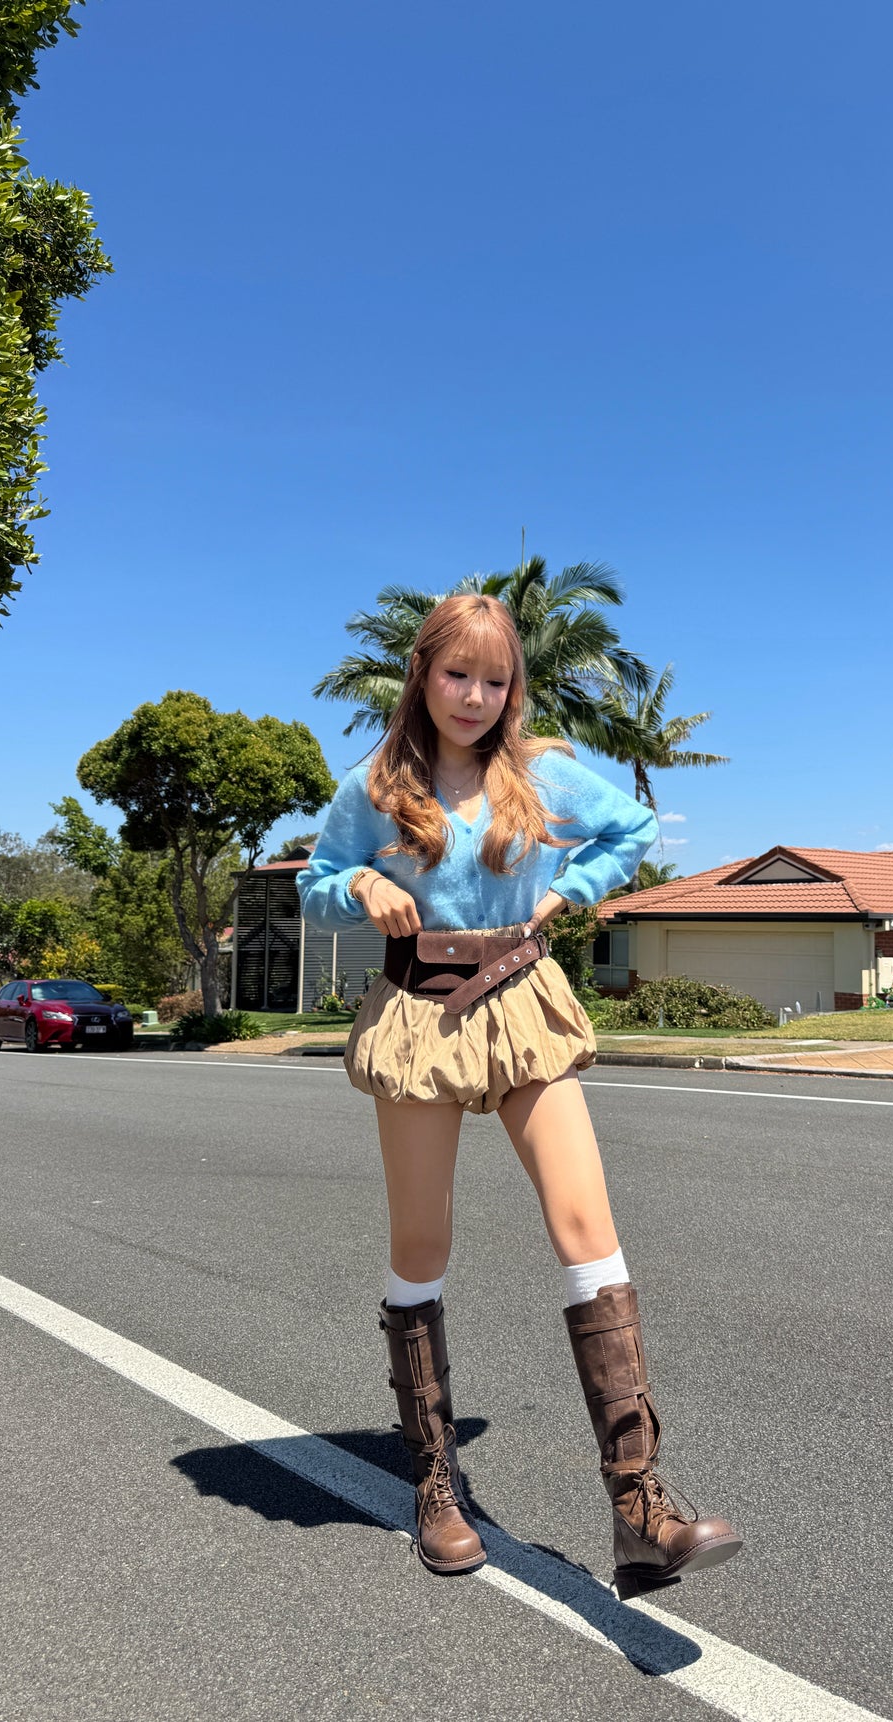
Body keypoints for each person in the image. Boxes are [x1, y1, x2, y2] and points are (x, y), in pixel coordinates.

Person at [299, 592, 741, 1587]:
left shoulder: (540, 774)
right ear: (423, 673)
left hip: (523, 997)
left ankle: (639, 1502)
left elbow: (630, 828)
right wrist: (362, 885)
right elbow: (315, 882)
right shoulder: (375, 785)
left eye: (495, 680)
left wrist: (567, 890)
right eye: (458, 673)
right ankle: (434, 1483)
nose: (475, 696)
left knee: (588, 1226)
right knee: (422, 1243)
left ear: (513, 689)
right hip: (418, 1013)